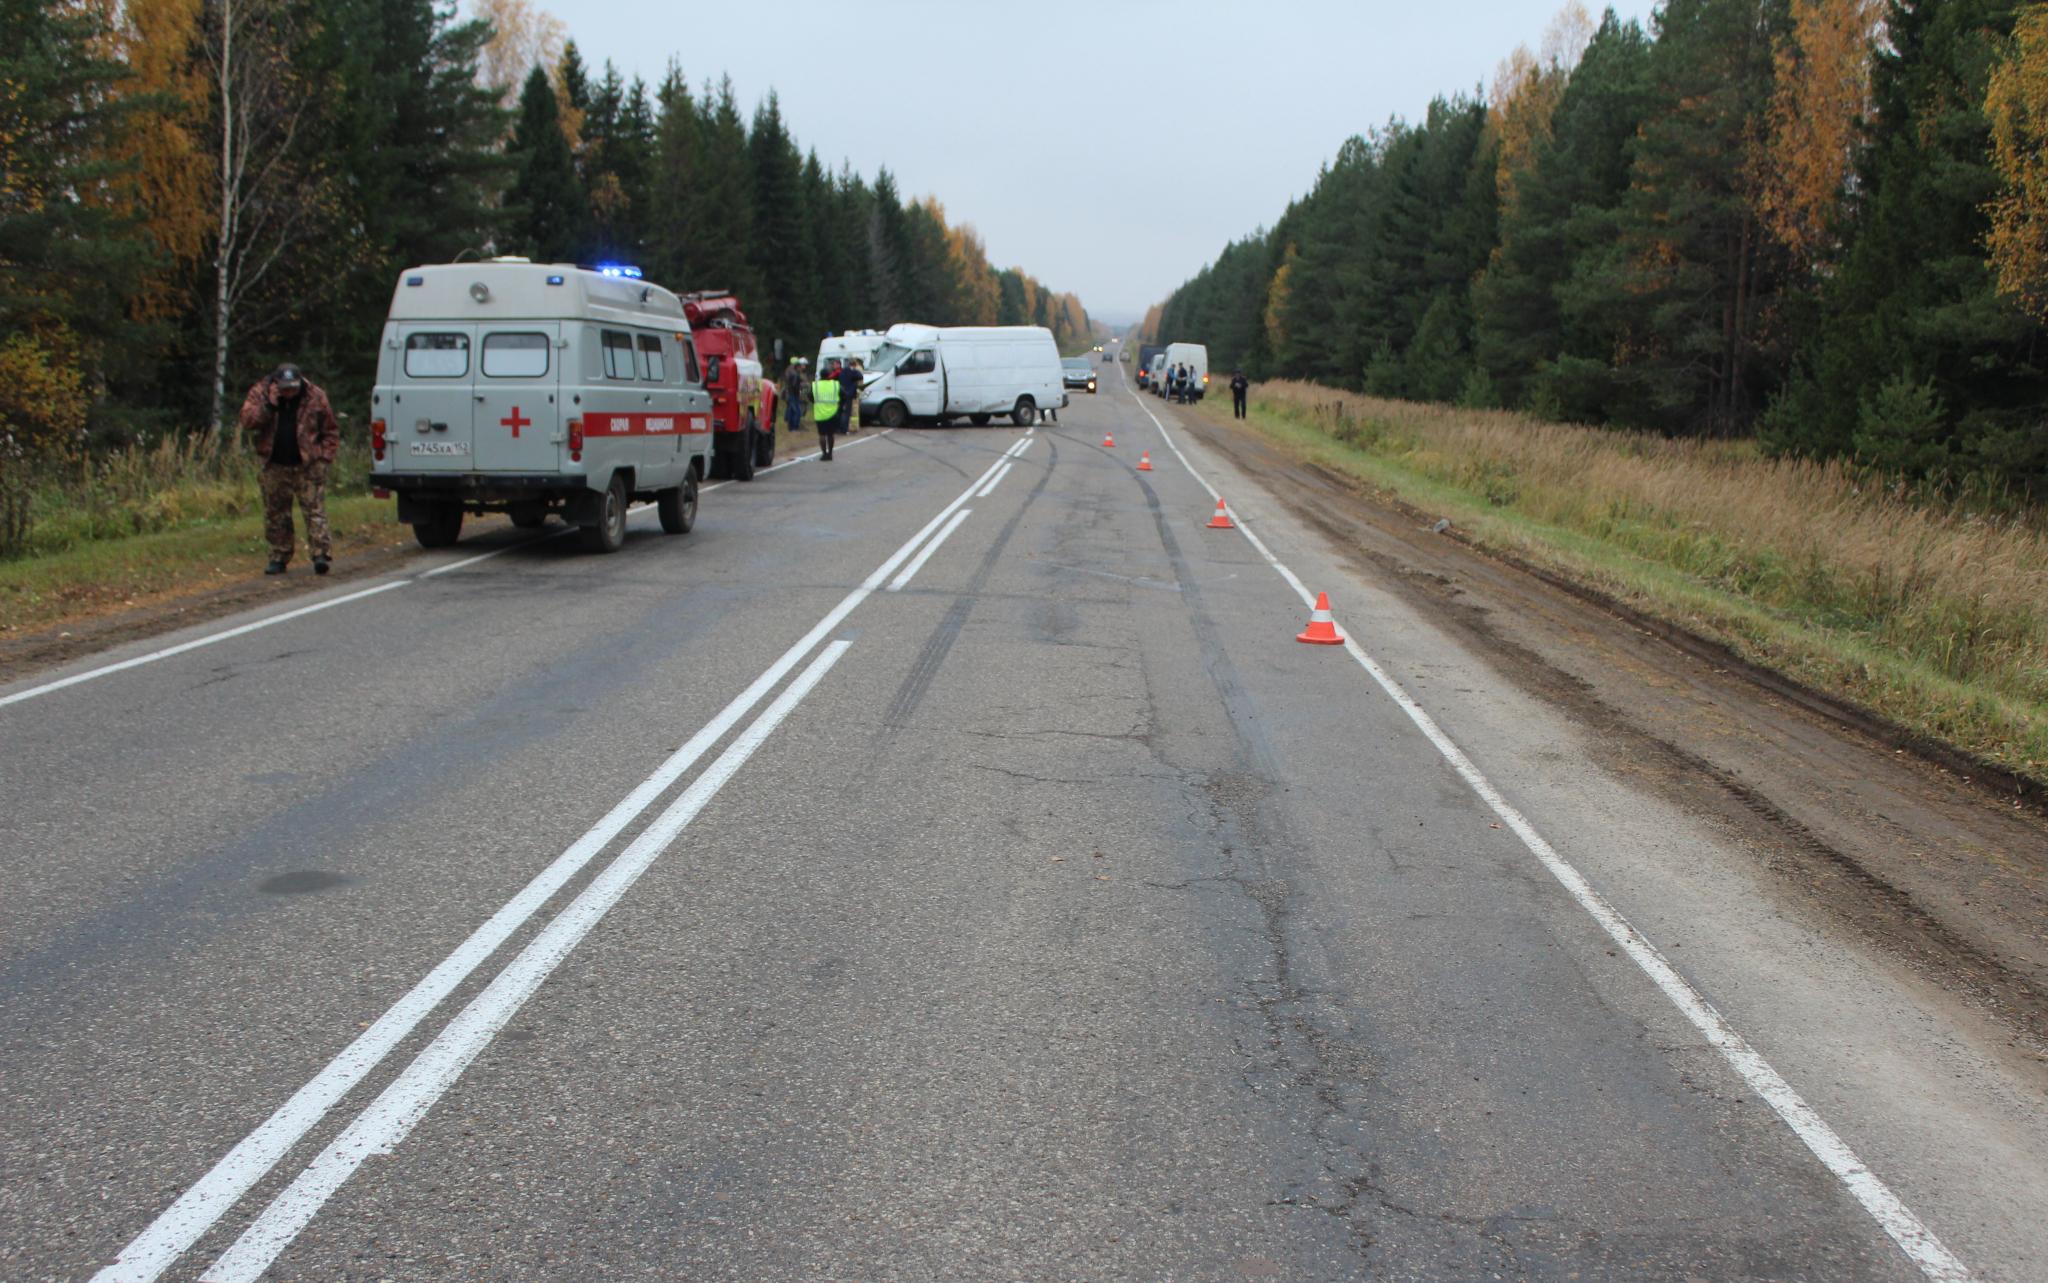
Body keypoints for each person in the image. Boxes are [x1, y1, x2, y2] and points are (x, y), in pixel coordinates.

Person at [239, 363, 340, 575]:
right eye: (285, 388)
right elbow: (247, 421)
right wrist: (269, 405)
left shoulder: (315, 395)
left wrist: (324, 458)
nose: (289, 392)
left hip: (307, 465)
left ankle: (320, 555)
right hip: (274, 464)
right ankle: (279, 557)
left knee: (314, 511)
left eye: (293, 388)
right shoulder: (261, 393)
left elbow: (330, 430)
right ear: (276, 384)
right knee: (276, 514)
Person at [812, 360, 845, 460]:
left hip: (820, 413)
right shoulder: (835, 385)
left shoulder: (815, 385)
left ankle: (824, 453)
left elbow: (810, 396)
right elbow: (843, 394)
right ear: (829, 375)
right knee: (830, 434)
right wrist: (840, 404)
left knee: (822, 435)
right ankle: (830, 453)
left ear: (820, 376)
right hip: (833, 412)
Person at [779, 358, 808, 442]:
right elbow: (795, 385)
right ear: (797, 367)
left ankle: (791, 426)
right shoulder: (795, 374)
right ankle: (794, 427)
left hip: (791, 393)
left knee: (792, 410)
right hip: (793, 394)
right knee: (797, 411)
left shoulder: (791, 372)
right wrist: (801, 387)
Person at [841, 357, 864, 434]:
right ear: (854, 365)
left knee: (842, 412)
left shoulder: (843, 371)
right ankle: (845, 429)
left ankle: (841, 428)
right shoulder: (853, 372)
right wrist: (855, 370)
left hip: (843, 393)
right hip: (850, 394)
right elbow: (860, 376)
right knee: (847, 413)